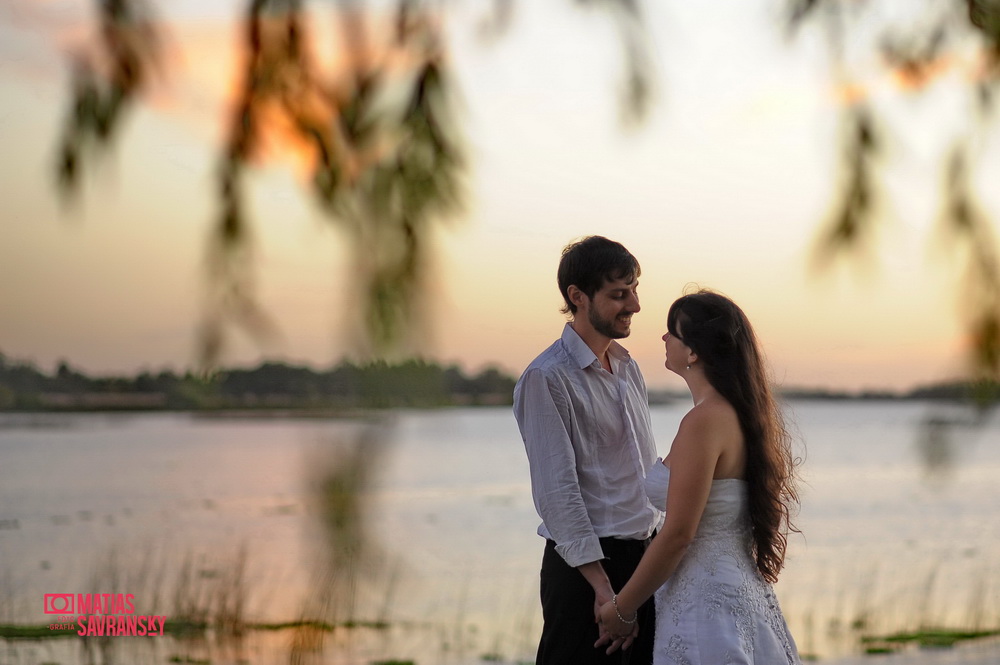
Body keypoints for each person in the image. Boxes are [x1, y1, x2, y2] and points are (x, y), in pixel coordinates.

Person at [597, 289, 801, 664]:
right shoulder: (740, 415)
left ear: (693, 352)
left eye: (671, 332)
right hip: (737, 592)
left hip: (707, 605)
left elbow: (678, 534)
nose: (663, 339)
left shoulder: (703, 422)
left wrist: (621, 608)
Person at [513, 236, 663, 665]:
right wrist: (605, 592)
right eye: (619, 294)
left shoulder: (629, 367)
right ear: (578, 297)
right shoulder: (547, 378)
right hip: (587, 575)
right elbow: (558, 495)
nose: (633, 305)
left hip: (643, 565)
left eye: (634, 291)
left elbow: (642, 474)